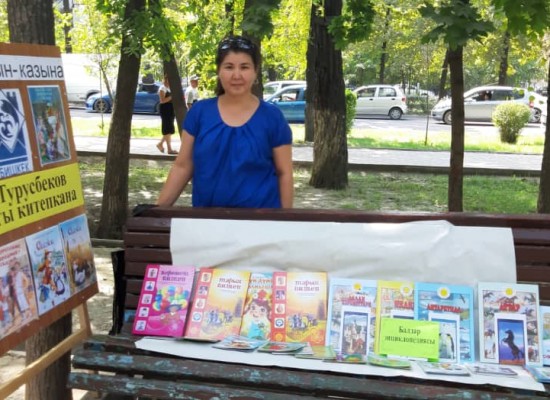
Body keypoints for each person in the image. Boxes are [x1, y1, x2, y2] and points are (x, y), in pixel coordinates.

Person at [157, 35, 293, 208]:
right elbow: (183, 166)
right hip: (207, 219)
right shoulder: (199, 113)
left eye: (244, 67)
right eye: (229, 67)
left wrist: (285, 219)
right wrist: (157, 212)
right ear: (219, 71)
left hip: (261, 220)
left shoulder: (272, 117)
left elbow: (284, 173)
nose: (236, 75)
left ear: (255, 71)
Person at [156, 75, 178, 154]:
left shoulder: (170, 88)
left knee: (170, 129)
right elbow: (162, 100)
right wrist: (172, 96)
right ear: (165, 80)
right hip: (165, 109)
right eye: (168, 80)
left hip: (170, 109)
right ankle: (169, 149)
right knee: (167, 128)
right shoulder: (162, 88)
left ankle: (161, 144)